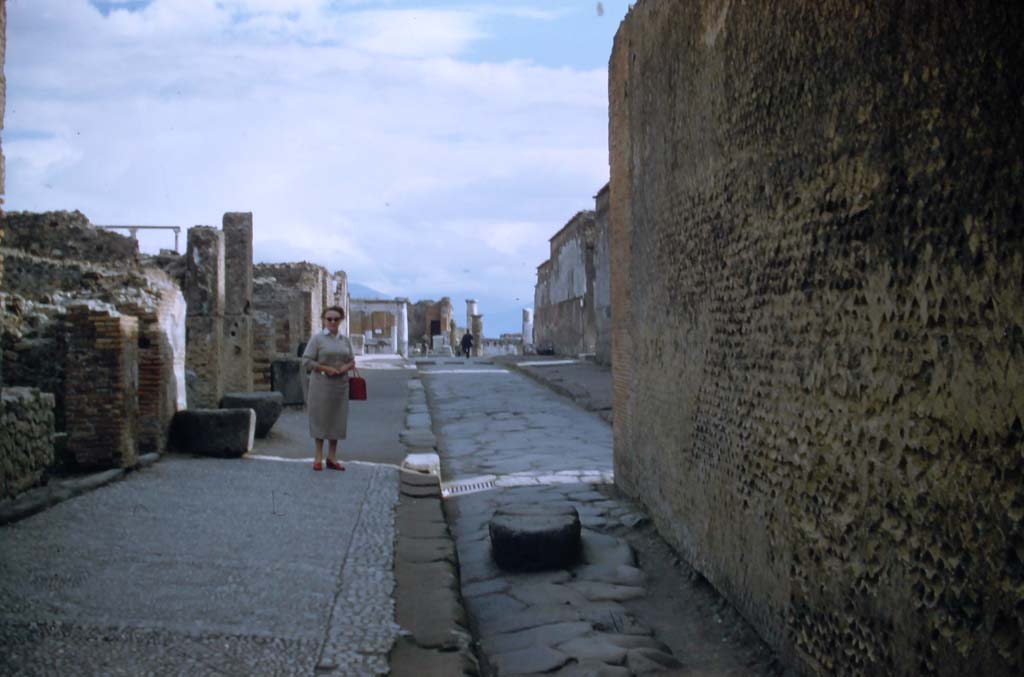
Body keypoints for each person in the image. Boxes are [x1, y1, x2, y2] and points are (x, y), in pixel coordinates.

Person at [301, 306, 356, 472]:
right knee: (320, 419)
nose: (332, 322)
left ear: (341, 321)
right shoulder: (317, 339)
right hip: (321, 384)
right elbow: (306, 361)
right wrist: (325, 368)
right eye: (329, 319)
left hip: (340, 385)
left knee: (336, 420)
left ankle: (332, 457)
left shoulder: (345, 340)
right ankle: (318, 457)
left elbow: (352, 360)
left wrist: (345, 368)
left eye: (336, 319)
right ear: (323, 320)